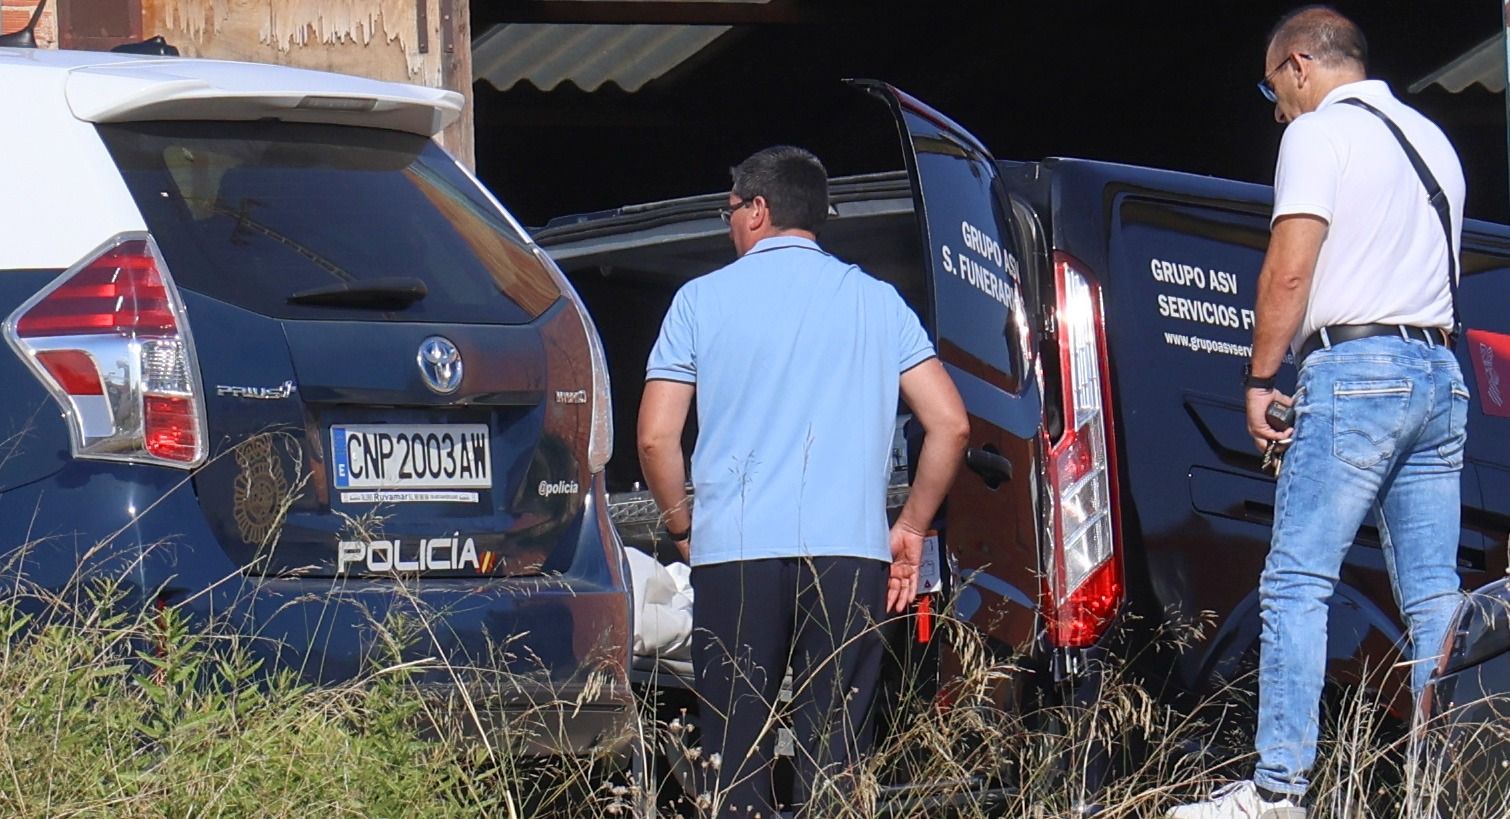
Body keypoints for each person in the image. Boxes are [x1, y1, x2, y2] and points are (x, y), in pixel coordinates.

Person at [1168, 6, 1467, 818]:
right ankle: (1448, 785)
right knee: (1435, 595)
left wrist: (1262, 377)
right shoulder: (1434, 141)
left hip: (1358, 367)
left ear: (1300, 64)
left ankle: (1278, 791)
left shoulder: (1317, 135)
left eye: (1275, 88)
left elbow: (1289, 272)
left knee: (1297, 581)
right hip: (1441, 370)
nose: (1276, 110)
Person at [637, 145, 968, 816]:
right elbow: (951, 424)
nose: (728, 223)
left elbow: (654, 436)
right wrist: (909, 525)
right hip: (850, 554)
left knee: (737, 752)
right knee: (836, 754)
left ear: (757, 210)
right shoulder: (880, 302)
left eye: (729, 208)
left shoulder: (699, 301)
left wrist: (680, 526)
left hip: (733, 552)